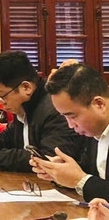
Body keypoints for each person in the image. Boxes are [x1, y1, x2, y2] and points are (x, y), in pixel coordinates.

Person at [31, 63, 109, 202]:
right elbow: (94, 177)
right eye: (64, 117)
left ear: (99, 104)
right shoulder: (93, 130)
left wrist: (80, 180)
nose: (70, 125)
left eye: (72, 116)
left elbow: (86, 180)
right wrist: (60, 173)